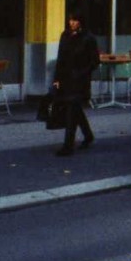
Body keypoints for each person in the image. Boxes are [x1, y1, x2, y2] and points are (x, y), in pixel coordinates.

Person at [52, 13, 99, 156]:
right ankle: (88, 135)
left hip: (80, 81)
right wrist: (56, 79)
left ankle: (68, 146)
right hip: (66, 79)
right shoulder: (65, 35)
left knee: (72, 110)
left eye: (75, 20)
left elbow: (94, 61)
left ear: (81, 22)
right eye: (71, 20)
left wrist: (81, 73)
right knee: (75, 109)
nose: (72, 23)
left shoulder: (88, 38)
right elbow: (60, 58)